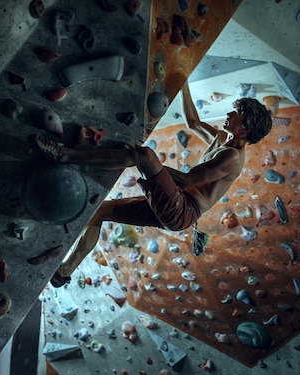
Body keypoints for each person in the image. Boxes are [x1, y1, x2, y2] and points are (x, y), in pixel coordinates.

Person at [35, 81, 273, 287]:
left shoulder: (233, 158)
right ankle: (63, 273)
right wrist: (185, 85)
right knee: (102, 211)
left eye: (235, 113)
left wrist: (146, 163)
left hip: (183, 210)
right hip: (176, 204)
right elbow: (192, 122)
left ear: (245, 127)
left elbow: (189, 180)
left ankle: (64, 155)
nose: (229, 114)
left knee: (144, 155)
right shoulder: (221, 139)